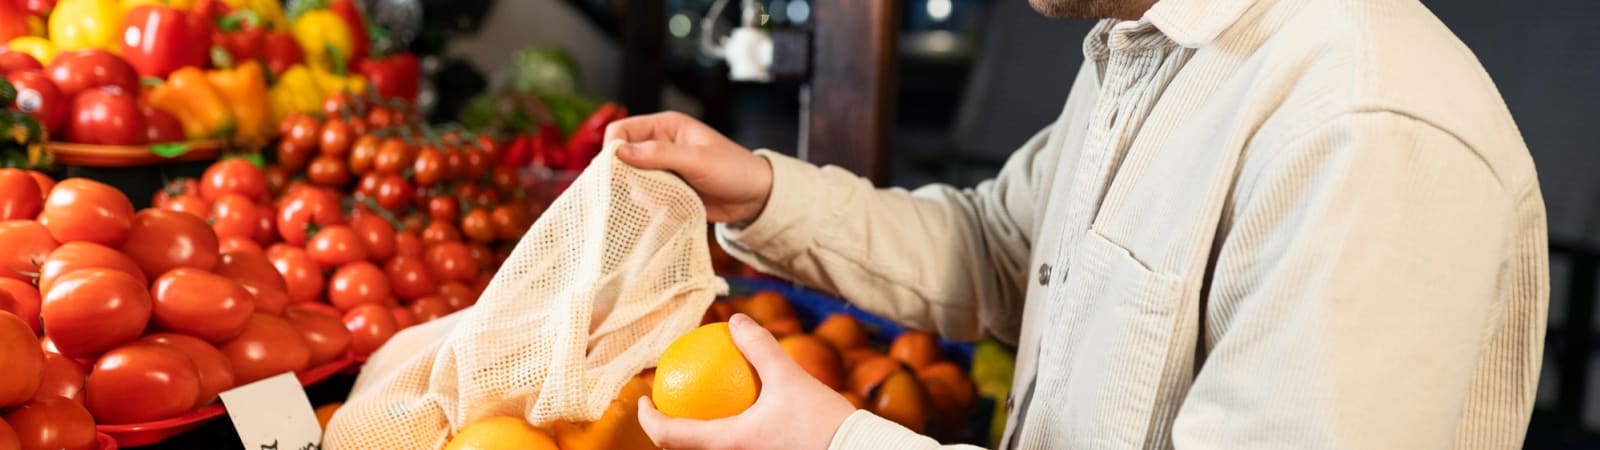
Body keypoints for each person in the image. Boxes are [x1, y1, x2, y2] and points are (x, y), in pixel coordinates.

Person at [605, 0, 1550, 446]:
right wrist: (763, 191)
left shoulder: (1365, 127)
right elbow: (1003, 249)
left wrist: (839, 445)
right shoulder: (1142, 50)